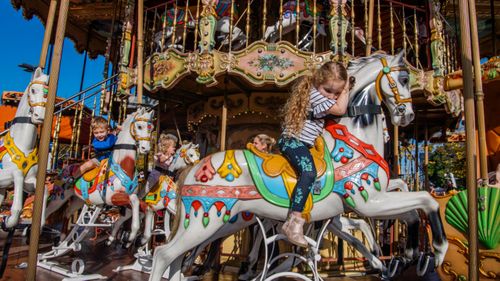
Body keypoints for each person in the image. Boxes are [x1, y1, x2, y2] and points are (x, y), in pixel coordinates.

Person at [279, 61, 352, 247]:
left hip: (303, 143)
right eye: (329, 90)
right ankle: (293, 221)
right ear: (317, 82)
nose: (333, 96)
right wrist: (346, 90)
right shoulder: (315, 95)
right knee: (309, 172)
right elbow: (340, 110)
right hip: (293, 141)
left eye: (337, 92)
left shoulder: (318, 92)